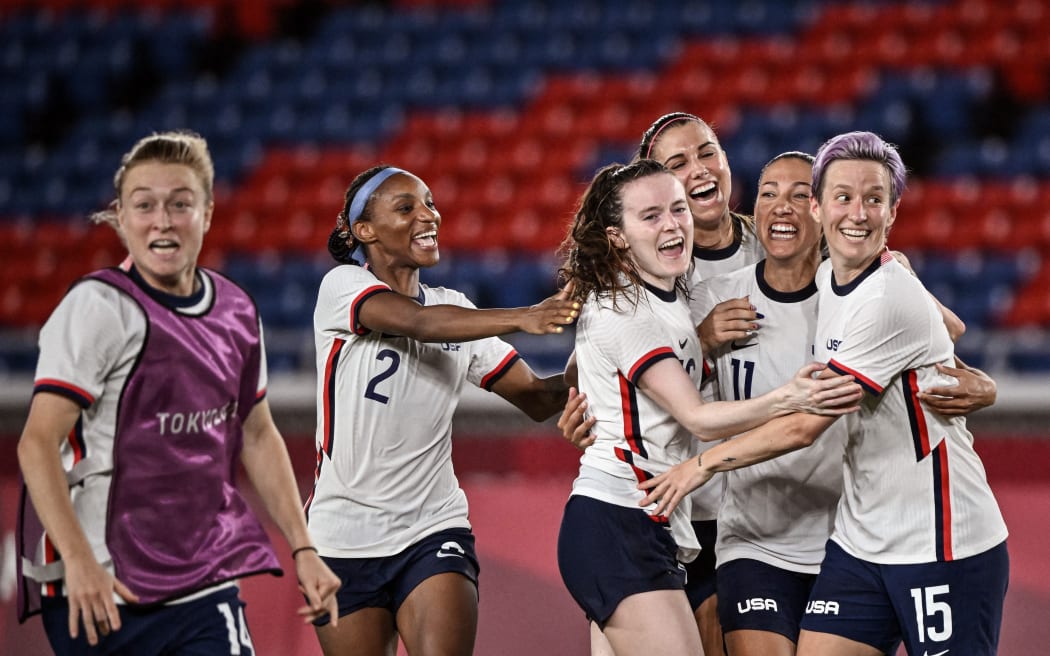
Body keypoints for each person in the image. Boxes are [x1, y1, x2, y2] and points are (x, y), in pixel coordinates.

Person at [639, 132, 1009, 656]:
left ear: (892, 212)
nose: (856, 213)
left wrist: (702, 466)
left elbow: (807, 421)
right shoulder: (831, 279)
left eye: (874, 200)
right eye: (843, 198)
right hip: (853, 540)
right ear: (822, 206)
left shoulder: (884, 293)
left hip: (935, 536)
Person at [16, 131, 341, 655]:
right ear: (121, 218)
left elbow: (257, 434)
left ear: (207, 213)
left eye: (180, 204)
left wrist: (303, 548)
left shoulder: (236, 310)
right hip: (103, 584)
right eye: (144, 205)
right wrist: (76, 560)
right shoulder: (96, 309)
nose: (162, 220)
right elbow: (36, 444)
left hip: (203, 583)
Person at [555, 158, 863, 656]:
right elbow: (696, 416)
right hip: (619, 519)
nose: (672, 223)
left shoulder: (668, 295)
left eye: (677, 210)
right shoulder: (625, 308)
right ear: (616, 235)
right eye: (650, 216)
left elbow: (589, 374)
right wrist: (791, 395)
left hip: (639, 522)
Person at [306, 165, 578, 656]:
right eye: (406, 207)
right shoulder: (342, 287)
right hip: (342, 536)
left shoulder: (455, 309)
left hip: (432, 527)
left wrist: (610, 361)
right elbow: (417, 322)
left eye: (429, 202)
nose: (429, 215)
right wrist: (525, 316)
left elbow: (537, 398)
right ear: (364, 231)